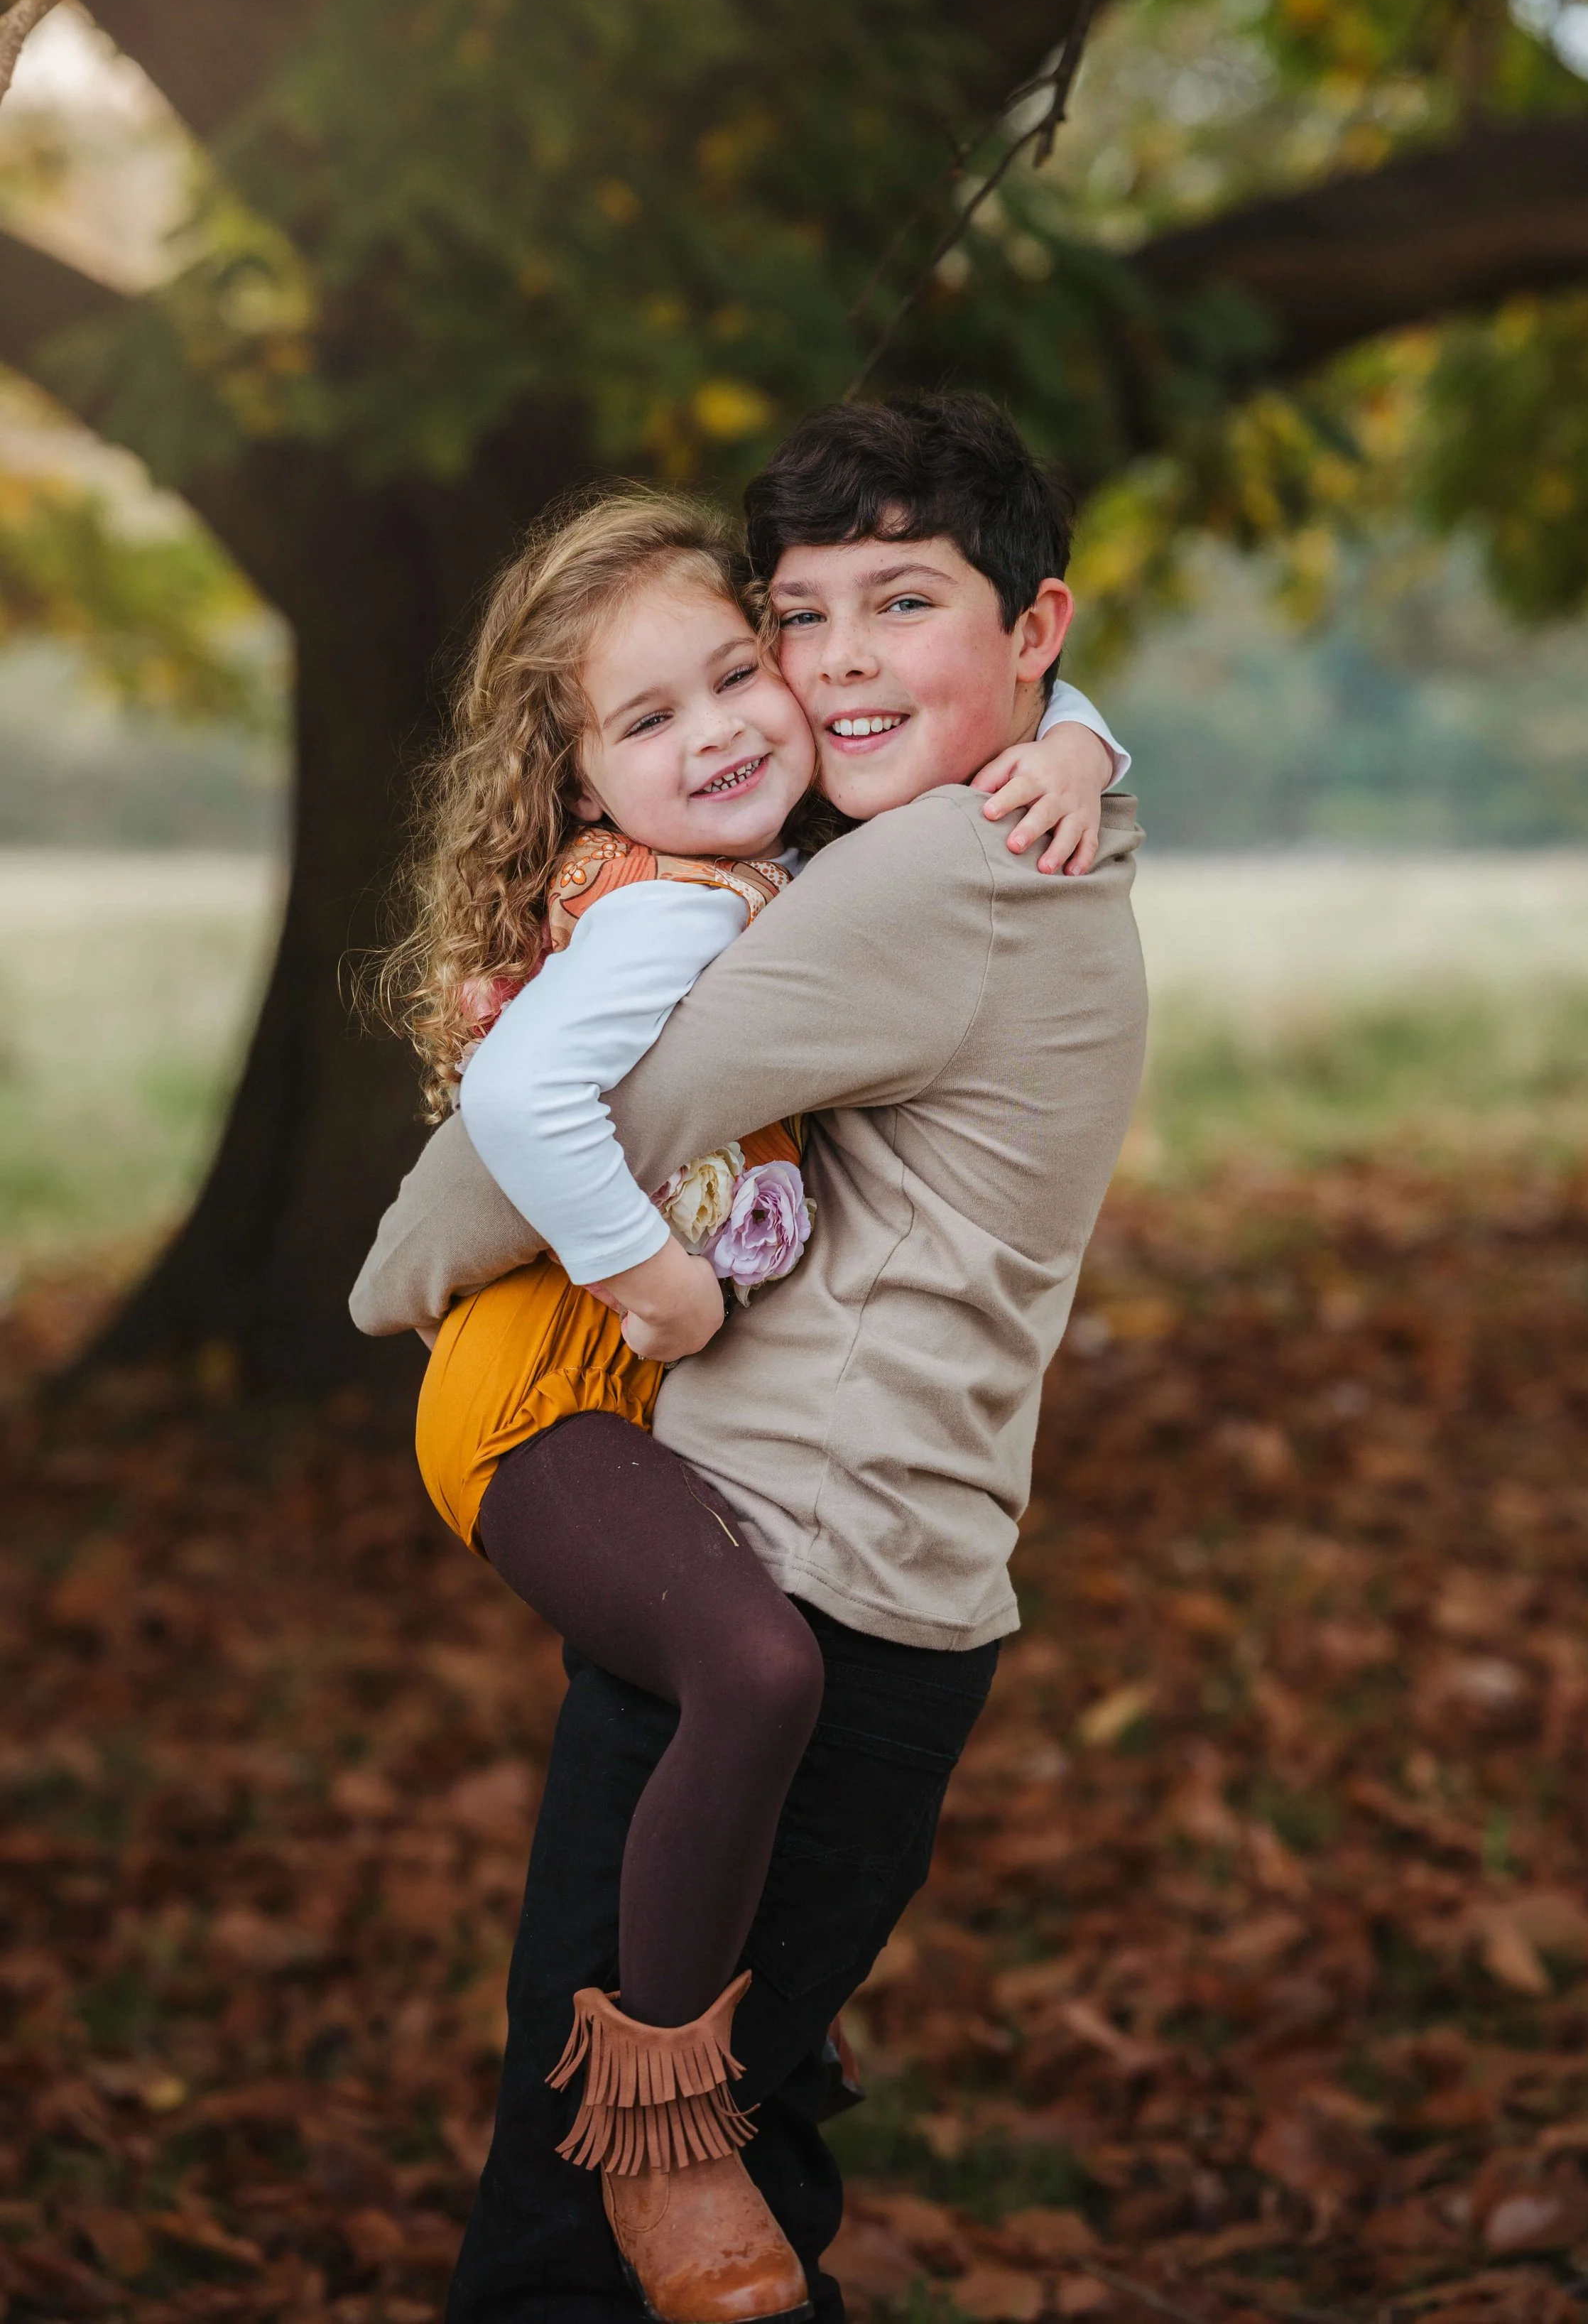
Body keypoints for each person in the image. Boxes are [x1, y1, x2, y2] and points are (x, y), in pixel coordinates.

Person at [351, 391, 1150, 2324]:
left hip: (809, 1582)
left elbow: (509, 1175)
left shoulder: (917, 877)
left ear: (1033, 620)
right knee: (728, 2154)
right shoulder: (993, 823)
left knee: (587, 2212)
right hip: (844, 1575)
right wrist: (1085, 737)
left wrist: (398, 1265)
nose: (836, 665)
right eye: (804, 615)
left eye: (904, 602)